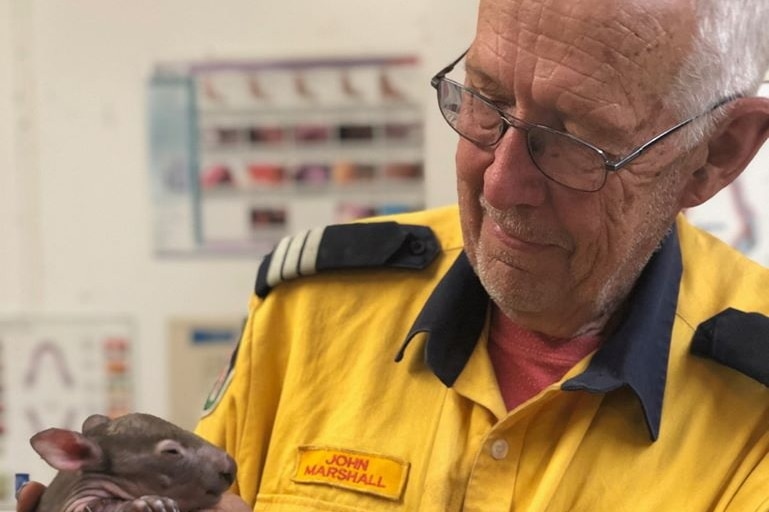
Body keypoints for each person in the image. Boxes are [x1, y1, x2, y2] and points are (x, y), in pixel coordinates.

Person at [18, 0, 769, 510]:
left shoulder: (755, 397)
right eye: (484, 102)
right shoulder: (313, 306)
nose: (501, 183)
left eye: (574, 141)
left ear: (717, 155)